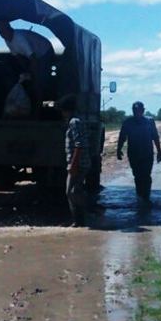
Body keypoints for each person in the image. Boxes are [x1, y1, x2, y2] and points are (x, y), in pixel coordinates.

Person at [0, 20, 54, 111]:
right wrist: (26, 71)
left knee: (41, 80)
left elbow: (33, 58)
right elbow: (18, 56)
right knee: (31, 78)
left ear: (9, 29)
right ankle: (36, 102)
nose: (2, 35)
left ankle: (46, 106)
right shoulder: (7, 40)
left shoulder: (20, 38)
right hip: (32, 56)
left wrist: (34, 76)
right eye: (0, 32)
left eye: (3, 31)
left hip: (44, 51)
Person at [116, 101, 161, 208]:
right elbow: (122, 137)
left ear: (143, 110)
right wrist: (118, 150)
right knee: (137, 176)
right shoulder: (127, 122)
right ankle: (140, 197)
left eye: (139, 110)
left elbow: (155, 137)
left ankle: (146, 197)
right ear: (132, 111)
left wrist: (159, 152)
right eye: (135, 110)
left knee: (146, 176)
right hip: (133, 153)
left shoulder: (149, 121)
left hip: (147, 153)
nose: (137, 112)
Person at [57, 94, 90, 226]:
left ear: (66, 110)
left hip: (79, 163)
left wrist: (74, 164)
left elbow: (79, 144)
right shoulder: (75, 120)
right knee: (73, 191)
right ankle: (79, 220)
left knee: (72, 192)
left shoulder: (74, 122)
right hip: (78, 162)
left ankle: (81, 219)